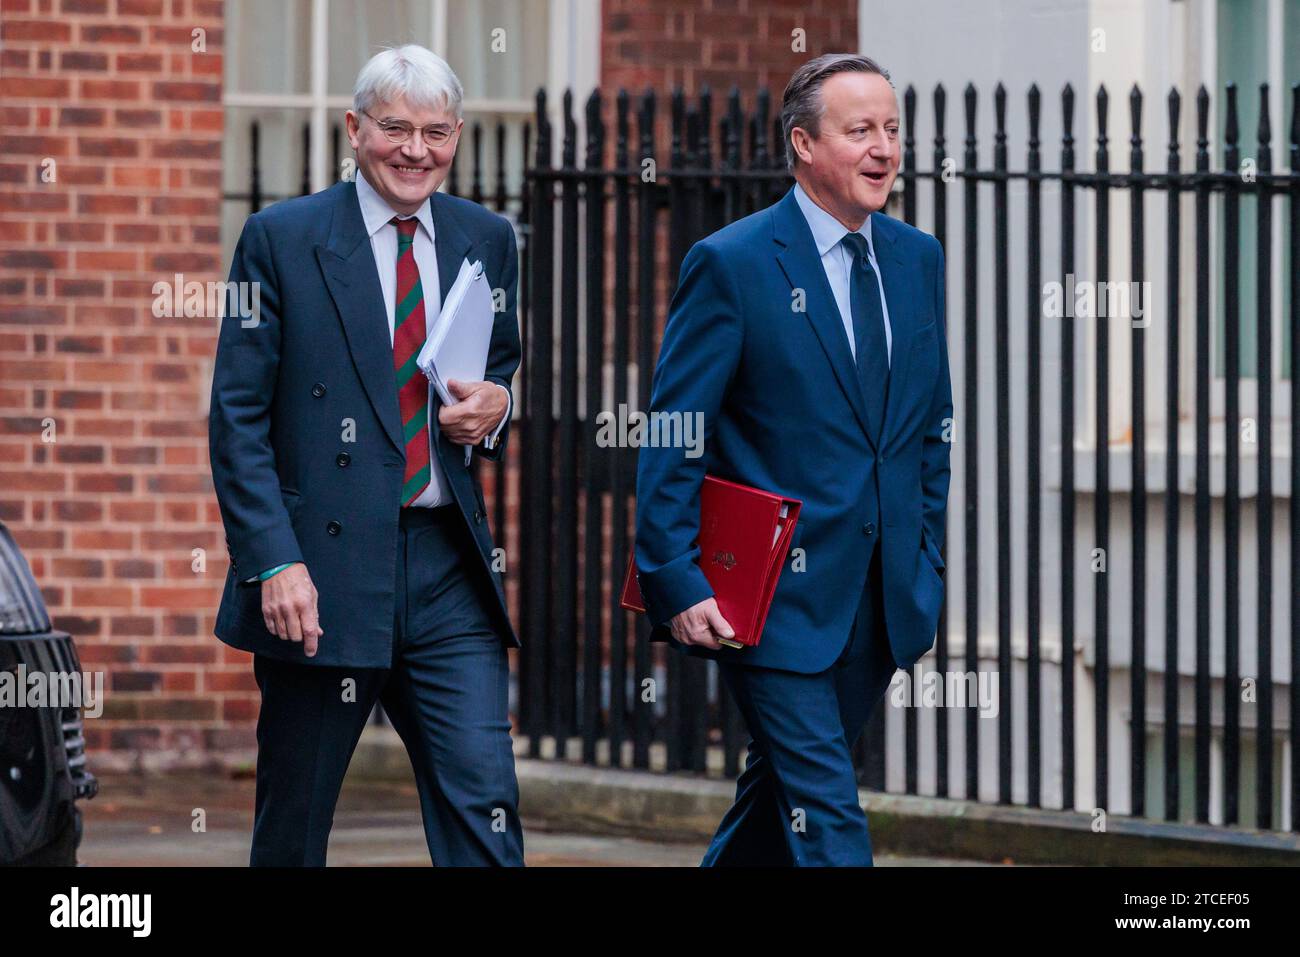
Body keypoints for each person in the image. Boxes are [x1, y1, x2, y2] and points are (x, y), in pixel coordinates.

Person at [208, 44, 523, 866]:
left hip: (447, 566)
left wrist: (498, 405)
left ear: (457, 135)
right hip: (323, 573)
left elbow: (498, 367)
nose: (417, 150)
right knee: (295, 823)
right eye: (395, 128)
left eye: (436, 131)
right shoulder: (281, 238)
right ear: (354, 129)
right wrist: (273, 560)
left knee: (484, 800)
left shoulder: (486, 238)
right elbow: (237, 417)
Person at [634, 53, 952, 866]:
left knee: (780, 800)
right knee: (829, 819)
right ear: (805, 145)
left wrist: (925, 556)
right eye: (860, 131)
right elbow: (675, 428)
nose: (883, 148)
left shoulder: (918, 259)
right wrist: (675, 575)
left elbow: (929, 427)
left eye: (891, 129)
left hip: (879, 596)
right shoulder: (733, 263)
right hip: (768, 602)